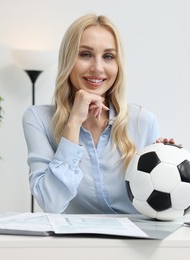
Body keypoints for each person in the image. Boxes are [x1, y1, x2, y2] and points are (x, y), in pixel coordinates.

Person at [22, 14, 177, 214]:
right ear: (68, 60)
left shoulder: (142, 121)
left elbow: (157, 204)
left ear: (118, 65)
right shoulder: (38, 119)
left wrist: (170, 165)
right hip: (75, 243)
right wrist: (74, 123)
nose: (97, 68)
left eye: (108, 56)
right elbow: (51, 203)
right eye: (85, 54)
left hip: (134, 241)